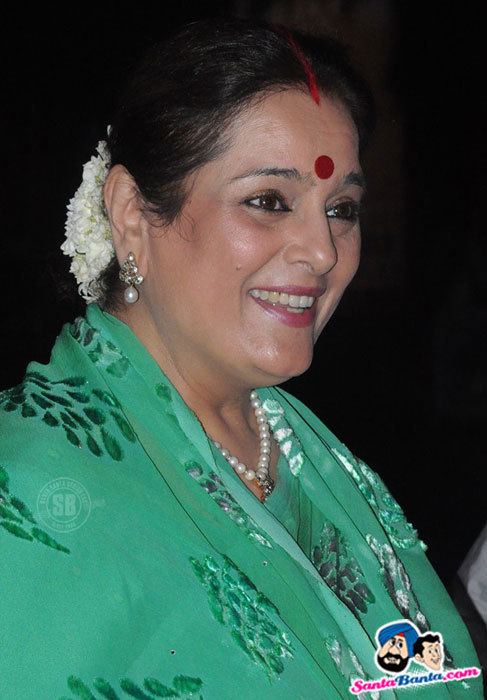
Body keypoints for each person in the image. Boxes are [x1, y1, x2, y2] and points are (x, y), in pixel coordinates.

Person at [0, 17, 482, 699]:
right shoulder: (29, 488)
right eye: (267, 201)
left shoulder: (309, 458)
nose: (322, 251)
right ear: (133, 215)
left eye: (341, 208)